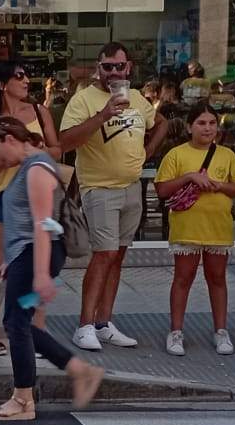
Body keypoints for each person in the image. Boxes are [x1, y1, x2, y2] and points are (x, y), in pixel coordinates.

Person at [0, 117, 103, 421]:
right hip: (28, 256)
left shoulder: (36, 168)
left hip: (37, 256)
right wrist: (13, 261)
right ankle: (80, 371)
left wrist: (39, 274)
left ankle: (23, 399)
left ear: (10, 139)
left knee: (16, 324)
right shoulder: (31, 166)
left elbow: (43, 224)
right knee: (20, 322)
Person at [58, 42, 167, 352]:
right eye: (108, 67)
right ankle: (85, 325)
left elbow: (161, 124)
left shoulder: (136, 98)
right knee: (103, 255)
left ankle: (104, 322)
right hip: (100, 188)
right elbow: (66, 142)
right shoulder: (84, 100)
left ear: (128, 67)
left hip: (132, 186)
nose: (114, 73)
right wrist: (102, 115)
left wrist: (147, 152)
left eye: (120, 67)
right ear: (98, 67)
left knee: (117, 256)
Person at [0, 58, 58, 356]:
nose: (27, 81)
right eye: (20, 76)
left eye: (28, 75)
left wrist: (30, 150)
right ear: (2, 84)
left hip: (37, 197)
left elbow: (57, 149)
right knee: (1, 266)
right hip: (4, 197)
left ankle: (36, 327)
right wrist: (4, 158)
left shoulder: (39, 112)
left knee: (38, 264)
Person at [154, 102, 235, 356]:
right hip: (187, 227)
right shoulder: (176, 155)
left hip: (218, 228)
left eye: (212, 123)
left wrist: (218, 185)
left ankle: (221, 330)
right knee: (183, 278)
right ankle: (175, 331)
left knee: (217, 279)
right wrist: (189, 177)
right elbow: (162, 189)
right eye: (201, 123)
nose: (207, 128)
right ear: (189, 126)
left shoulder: (227, 155)